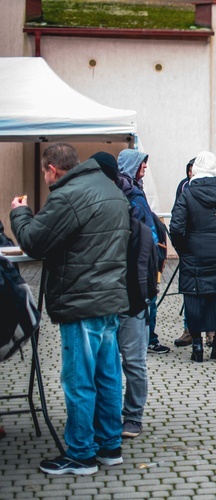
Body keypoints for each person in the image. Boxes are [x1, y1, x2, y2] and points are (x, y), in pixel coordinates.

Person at [11, 143, 129, 475]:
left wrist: (20, 211)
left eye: (45, 171)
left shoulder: (69, 195)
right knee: (107, 377)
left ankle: (80, 453)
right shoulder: (109, 189)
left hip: (82, 301)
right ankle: (109, 447)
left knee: (78, 380)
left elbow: (33, 241)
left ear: (52, 169)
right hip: (108, 300)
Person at [91, 150, 153, 441]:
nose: (144, 168)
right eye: (141, 163)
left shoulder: (132, 198)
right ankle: (113, 415)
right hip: (111, 292)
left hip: (131, 292)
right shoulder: (102, 199)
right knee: (112, 359)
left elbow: (147, 245)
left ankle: (132, 416)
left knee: (132, 359)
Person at [169, 151, 216, 362]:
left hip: (194, 253)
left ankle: (197, 348)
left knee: (194, 299)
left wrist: (183, 248)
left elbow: (176, 227)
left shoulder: (188, 193)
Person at [117, 150, 171, 355]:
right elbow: (144, 227)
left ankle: (141, 337)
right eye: (142, 164)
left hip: (130, 254)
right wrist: (155, 253)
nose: (145, 167)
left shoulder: (124, 188)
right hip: (143, 255)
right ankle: (148, 339)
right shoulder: (133, 193)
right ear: (132, 165)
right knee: (149, 296)